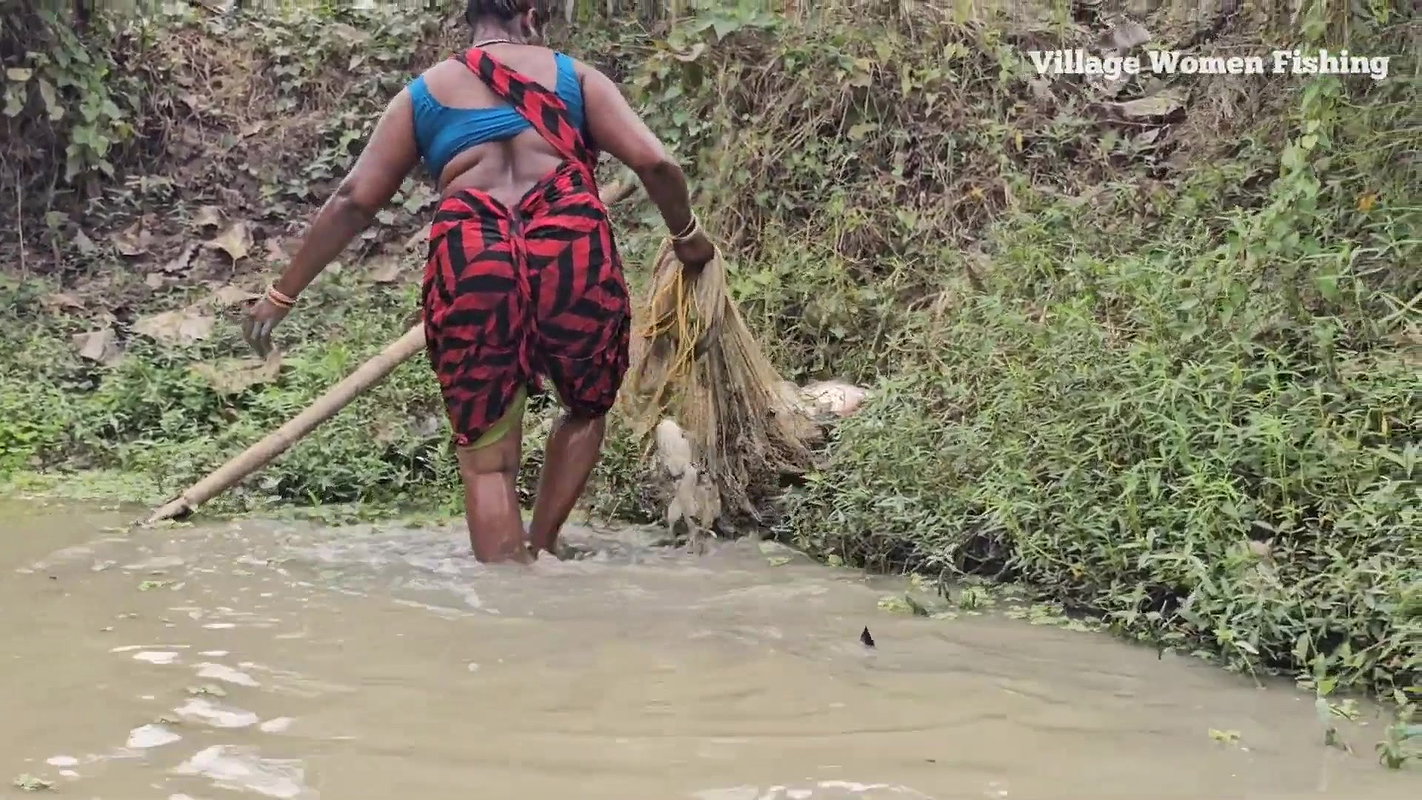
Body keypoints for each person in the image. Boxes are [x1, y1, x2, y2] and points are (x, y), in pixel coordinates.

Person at [241, 0, 715, 563]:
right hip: (569, 246)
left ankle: (506, 601)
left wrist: (281, 294)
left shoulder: (423, 94)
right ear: (533, 15)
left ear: (470, 19)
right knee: (587, 405)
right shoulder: (575, 78)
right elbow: (656, 164)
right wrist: (687, 237)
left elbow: (354, 200)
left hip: (473, 255)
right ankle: (543, 545)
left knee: (486, 460)